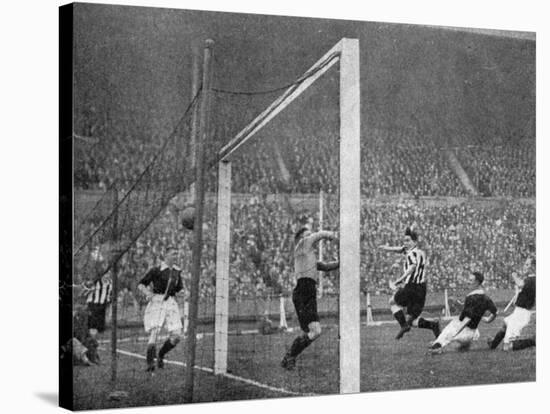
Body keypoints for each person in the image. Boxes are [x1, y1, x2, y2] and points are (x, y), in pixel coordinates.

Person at [281, 227, 338, 370]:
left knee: (315, 331)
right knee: (314, 331)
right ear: (300, 238)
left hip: (308, 292)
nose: (309, 237)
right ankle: (290, 356)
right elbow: (318, 236)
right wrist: (331, 235)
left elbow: (325, 266)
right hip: (303, 291)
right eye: (307, 235)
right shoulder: (301, 245)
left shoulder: (308, 256)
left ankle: (289, 356)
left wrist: (341, 262)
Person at [378, 227, 440, 340]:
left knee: (392, 302)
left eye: (408, 240)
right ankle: (433, 325)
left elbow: (412, 267)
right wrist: (386, 248)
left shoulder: (411, 254)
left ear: (414, 242)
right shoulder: (420, 252)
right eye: (404, 240)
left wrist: (401, 279)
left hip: (411, 287)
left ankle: (403, 326)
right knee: (413, 320)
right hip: (422, 289)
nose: (405, 243)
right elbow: (400, 249)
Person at [138, 246, 184, 372]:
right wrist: (148, 293)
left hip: (170, 302)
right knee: (154, 332)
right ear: (166, 255)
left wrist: (183, 293)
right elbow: (141, 284)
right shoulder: (156, 270)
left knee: (177, 336)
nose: (176, 256)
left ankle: (161, 355)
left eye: (177, 254)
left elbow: (179, 289)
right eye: (174, 253)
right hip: (157, 301)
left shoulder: (177, 271)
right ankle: (149, 363)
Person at [430, 271, 497, 352]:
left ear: (477, 282)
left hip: (462, 327)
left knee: (441, 345)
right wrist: (487, 320)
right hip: (472, 331)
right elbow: (495, 312)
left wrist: (455, 333)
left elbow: (467, 319)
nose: (468, 282)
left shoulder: (471, 297)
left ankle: (440, 345)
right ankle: (444, 344)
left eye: (470, 280)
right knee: (446, 342)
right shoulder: (486, 298)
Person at [488, 257, 536, 351]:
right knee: (504, 326)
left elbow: (520, 284)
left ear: (534, 266)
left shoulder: (532, 279)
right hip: (519, 311)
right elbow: (519, 292)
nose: (524, 266)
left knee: (507, 347)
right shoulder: (529, 279)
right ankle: (493, 344)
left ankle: (533, 341)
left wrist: (514, 276)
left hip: (521, 314)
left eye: (527, 264)